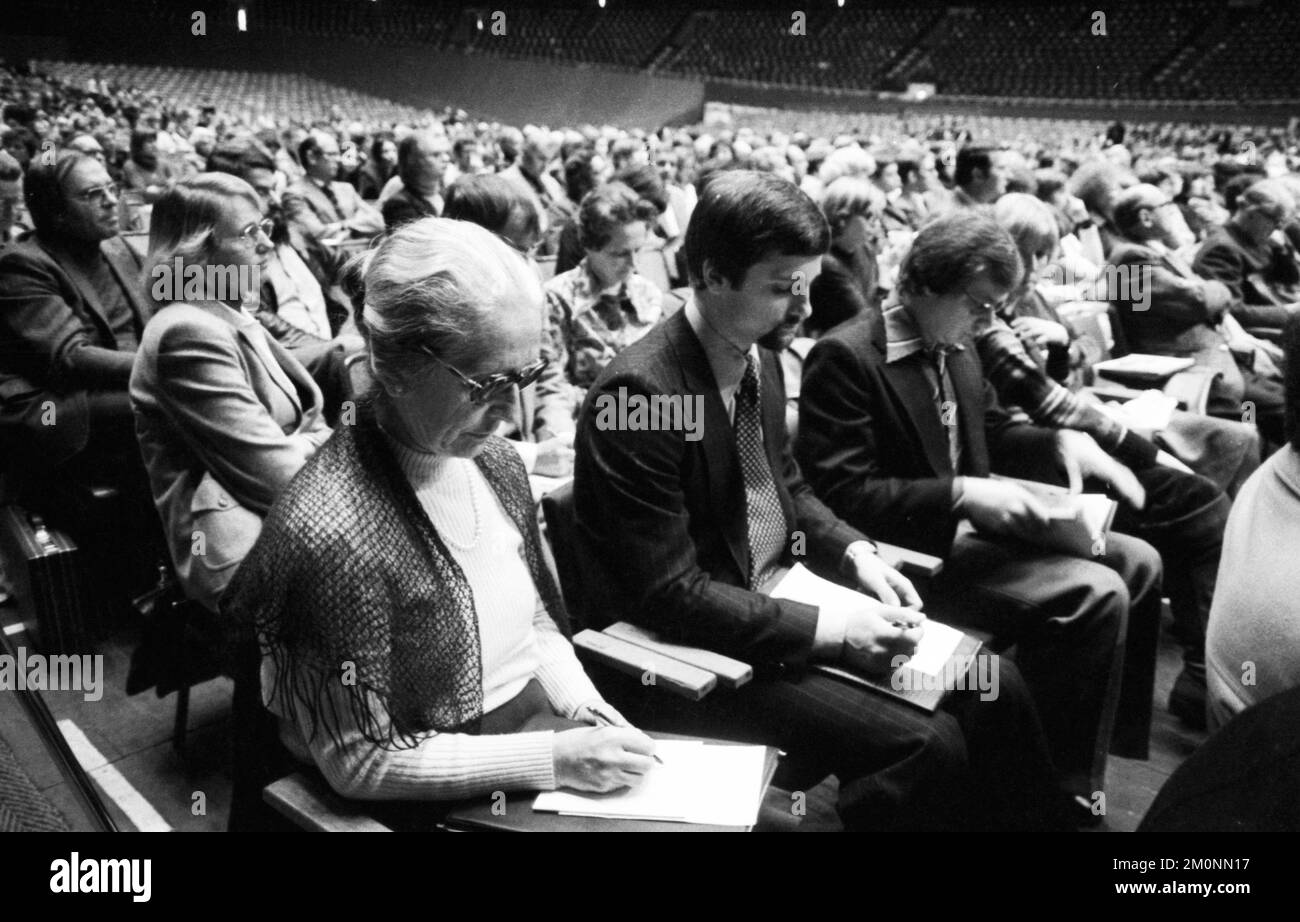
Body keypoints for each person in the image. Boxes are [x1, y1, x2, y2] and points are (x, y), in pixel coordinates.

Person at [574, 171, 1072, 831]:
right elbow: (669, 594)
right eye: (782, 288)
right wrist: (836, 632)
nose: (802, 307)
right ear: (713, 275)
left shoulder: (760, 358)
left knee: (992, 685)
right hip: (698, 649)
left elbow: (790, 489)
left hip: (784, 600)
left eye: (804, 284)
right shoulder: (640, 394)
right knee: (924, 745)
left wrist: (857, 552)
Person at [222, 217, 657, 808]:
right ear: (395, 365)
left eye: (524, 377)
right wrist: (553, 760)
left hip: (529, 734)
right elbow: (361, 760)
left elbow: (534, 625)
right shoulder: (333, 533)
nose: (508, 410)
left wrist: (593, 713)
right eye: (484, 384)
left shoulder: (494, 461)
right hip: (434, 781)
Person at [796, 208, 1165, 799]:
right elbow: (843, 495)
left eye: (996, 306)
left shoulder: (956, 343)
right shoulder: (845, 357)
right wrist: (964, 492)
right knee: (1094, 593)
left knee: (1139, 560)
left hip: (968, 532)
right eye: (979, 303)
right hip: (910, 558)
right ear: (922, 283)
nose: (989, 319)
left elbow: (991, 430)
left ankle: (1061, 758)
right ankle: (1044, 782)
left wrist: (1061, 440)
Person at [982, 193, 1231, 730]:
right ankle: (1201, 667)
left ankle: (1200, 664)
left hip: (1083, 428)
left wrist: (1062, 343)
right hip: (1052, 460)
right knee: (1201, 499)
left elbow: (1084, 358)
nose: (1041, 267)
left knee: (1223, 459)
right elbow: (1201, 301)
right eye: (1034, 254)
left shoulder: (1029, 300)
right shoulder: (997, 316)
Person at [130, 173, 332, 615]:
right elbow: (276, 479)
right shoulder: (188, 332)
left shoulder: (224, 314)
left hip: (278, 519)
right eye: (247, 233)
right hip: (238, 556)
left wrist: (299, 444)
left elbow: (309, 432)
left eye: (265, 228)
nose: (266, 245)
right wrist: (307, 447)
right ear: (197, 252)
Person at [0, 149, 159, 605]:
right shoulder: (21, 264)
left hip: (130, 384)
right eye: (93, 194)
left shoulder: (117, 246)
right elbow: (69, 358)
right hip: (59, 406)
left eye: (111, 188)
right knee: (173, 404)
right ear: (53, 210)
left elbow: (162, 314)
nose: (112, 201)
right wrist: (164, 368)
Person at [1108, 183, 1286, 448]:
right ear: (1146, 217)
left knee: (1287, 402)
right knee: (1282, 413)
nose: (1176, 213)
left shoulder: (1158, 254)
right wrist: (1217, 289)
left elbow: (1201, 294)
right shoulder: (1132, 260)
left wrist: (1207, 289)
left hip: (1224, 361)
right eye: (1167, 207)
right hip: (1196, 374)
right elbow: (1200, 301)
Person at [441, 174, 576, 476]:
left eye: (529, 251)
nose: (526, 265)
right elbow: (439, 440)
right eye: (514, 250)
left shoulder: (525, 281)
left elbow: (547, 368)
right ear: (465, 242)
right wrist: (531, 457)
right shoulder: (437, 314)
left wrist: (558, 435)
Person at [1205, 315, 1300, 730]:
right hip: (1222, 379)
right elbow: (1215, 297)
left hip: (1240, 739)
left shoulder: (1266, 479)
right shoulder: (1136, 263)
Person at [543, 182, 663, 403]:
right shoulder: (557, 299)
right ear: (590, 246)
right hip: (589, 421)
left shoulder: (648, 294)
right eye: (620, 254)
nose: (634, 264)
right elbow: (552, 390)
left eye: (638, 250)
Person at [1192, 178, 1299, 335]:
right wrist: (1289, 312)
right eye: (1276, 221)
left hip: (1283, 314)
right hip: (1265, 330)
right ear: (1252, 212)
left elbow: (1291, 279)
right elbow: (1231, 311)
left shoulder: (1259, 240)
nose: (1279, 228)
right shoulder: (1221, 249)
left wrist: (1282, 250)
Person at [282, 129, 384, 250]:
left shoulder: (347, 189)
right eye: (332, 154)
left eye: (338, 154)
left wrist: (343, 225)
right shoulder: (294, 194)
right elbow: (316, 235)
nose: (339, 159)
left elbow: (378, 222)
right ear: (311, 157)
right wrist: (358, 226)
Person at [381, 130, 451, 228]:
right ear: (413, 161)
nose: (446, 158)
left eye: (446, 153)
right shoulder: (398, 205)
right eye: (435, 155)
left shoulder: (447, 194)